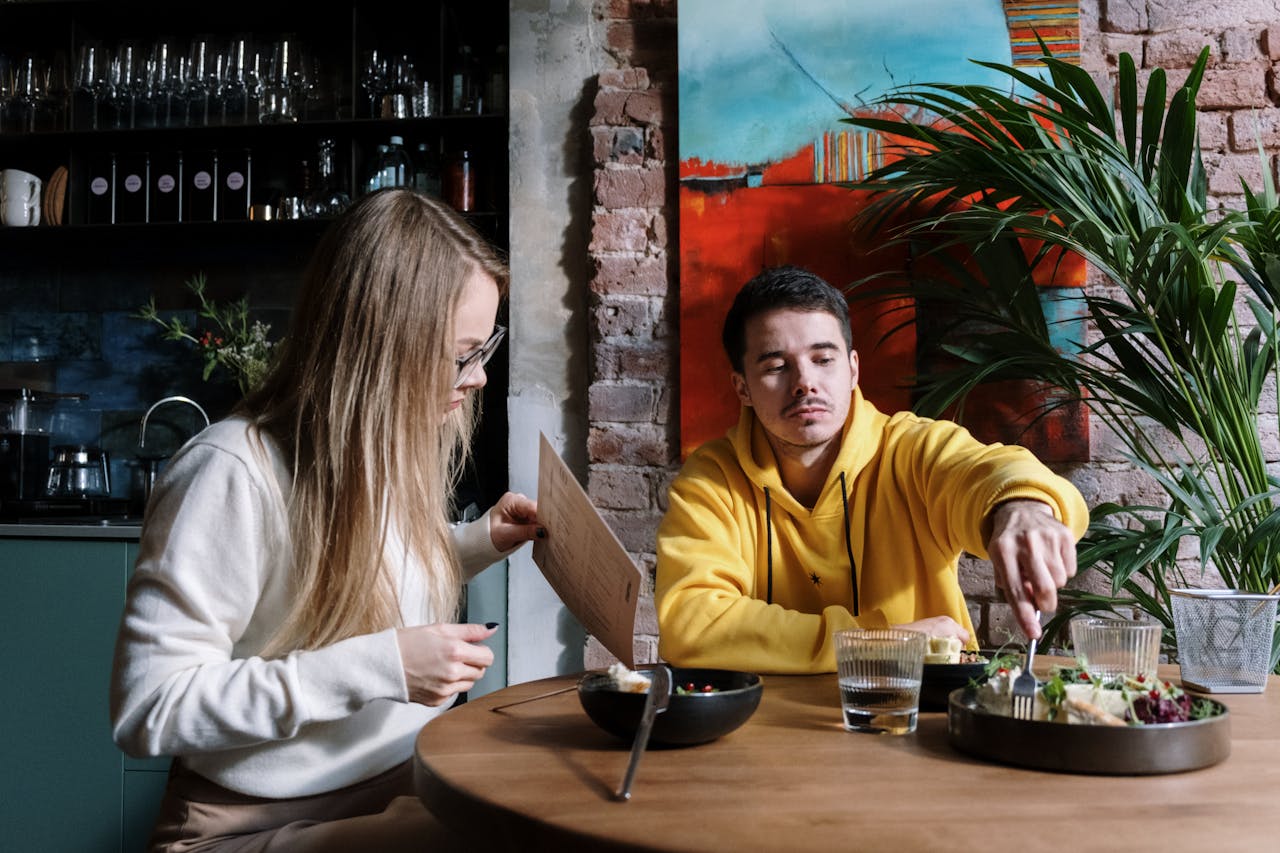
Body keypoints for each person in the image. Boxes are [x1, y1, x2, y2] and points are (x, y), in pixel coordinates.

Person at [110, 189, 542, 851]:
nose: (479, 376)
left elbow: (348, 577)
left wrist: (474, 543)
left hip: (402, 780)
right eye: (463, 352)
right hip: (255, 823)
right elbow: (150, 707)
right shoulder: (231, 471)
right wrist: (381, 666)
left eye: (486, 347)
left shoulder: (377, 443)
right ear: (382, 346)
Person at [655, 265, 1088, 674]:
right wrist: (879, 641)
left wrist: (1021, 506)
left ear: (853, 370)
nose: (805, 382)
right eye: (775, 366)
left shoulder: (908, 449)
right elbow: (691, 626)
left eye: (823, 359)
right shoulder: (713, 479)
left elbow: (981, 470)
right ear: (742, 388)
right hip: (769, 731)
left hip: (925, 720)